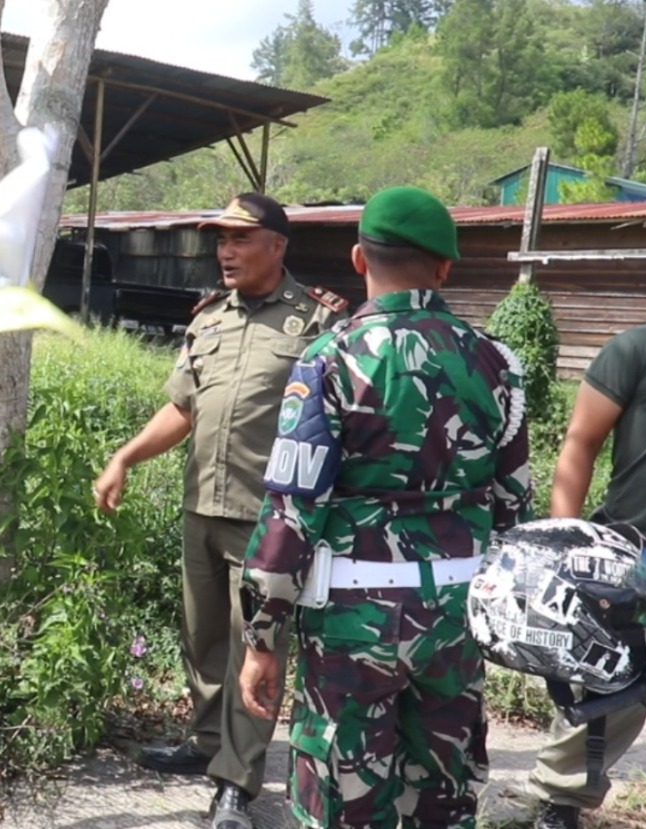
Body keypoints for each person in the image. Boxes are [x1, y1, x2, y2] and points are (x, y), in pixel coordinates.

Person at [238, 186, 534, 829]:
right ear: (446, 268)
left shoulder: (328, 359)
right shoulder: (497, 363)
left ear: (357, 259)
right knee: (442, 798)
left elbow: (292, 510)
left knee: (343, 799)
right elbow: (514, 507)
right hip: (456, 620)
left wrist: (262, 637)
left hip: (352, 622)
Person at [93, 193, 349, 829]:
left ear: (277, 245)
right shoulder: (208, 320)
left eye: (239, 238)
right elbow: (183, 408)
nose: (226, 251)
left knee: (252, 651)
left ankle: (237, 781)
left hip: (268, 521)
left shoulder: (317, 323)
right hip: (201, 507)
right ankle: (209, 745)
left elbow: (345, 424)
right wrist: (125, 457)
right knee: (204, 639)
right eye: (220, 240)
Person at [525, 312, 646, 829]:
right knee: (605, 700)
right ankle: (559, 805)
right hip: (636, 568)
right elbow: (579, 444)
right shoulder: (643, 349)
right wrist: (563, 550)